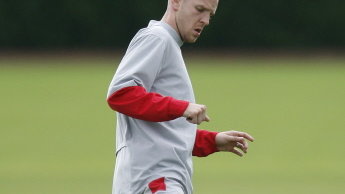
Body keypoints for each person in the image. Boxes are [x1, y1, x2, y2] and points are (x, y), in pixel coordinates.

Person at [106, 0, 254, 193]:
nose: (206, 20)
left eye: (210, 14)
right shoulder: (157, 38)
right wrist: (182, 107)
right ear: (175, 2)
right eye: (199, 9)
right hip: (156, 179)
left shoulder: (168, 44)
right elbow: (120, 94)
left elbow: (162, 133)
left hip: (159, 179)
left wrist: (212, 140)